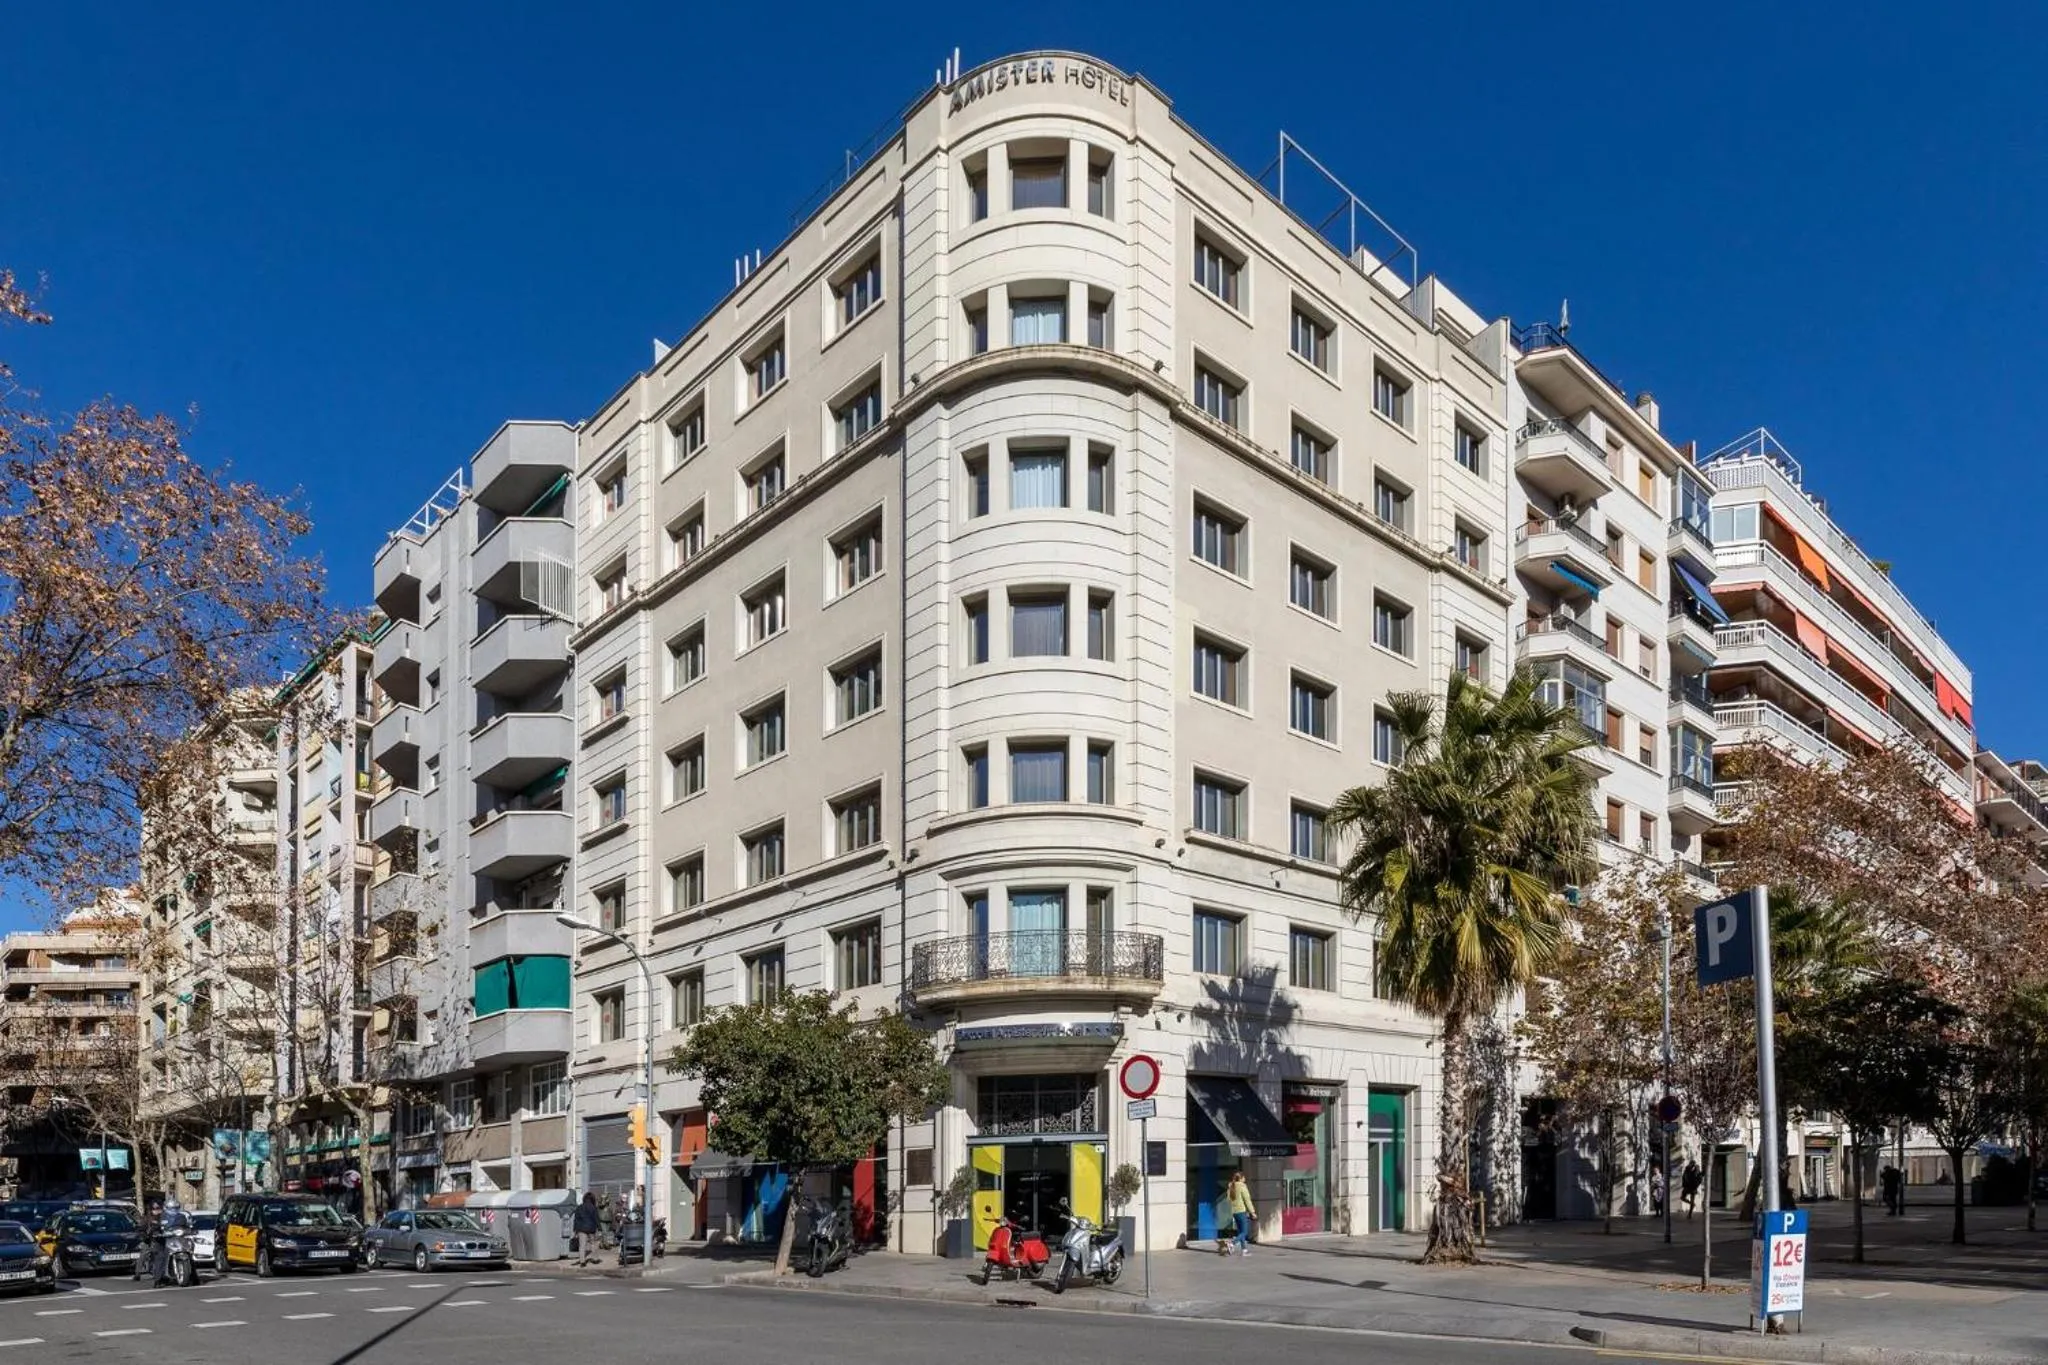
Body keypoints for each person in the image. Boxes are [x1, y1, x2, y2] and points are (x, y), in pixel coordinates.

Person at [1222, 1171, 1256, 1257]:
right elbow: (1247, 1200)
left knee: (1241, 1231)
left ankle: (1244, 1250)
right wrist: (1252, 1212)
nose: (1245, 1179)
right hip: (1241, 1211)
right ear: (1241, 1178)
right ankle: (1232, 1243)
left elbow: (1228, 1200)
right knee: (1245, 1232)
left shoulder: (1231, 1186)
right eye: (1244, 1177)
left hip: (1234, 1212)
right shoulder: (1242, 1186)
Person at [573, 1192, 601, 1266]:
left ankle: (582, 1261)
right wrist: (599, 1228)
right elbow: (596, 1219)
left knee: (582, 1245)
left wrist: (575, 1230)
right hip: (591, 1228)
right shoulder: (593, 1208)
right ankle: (595, 1259)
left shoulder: (579, 1207)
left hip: (581, 1229)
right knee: (593, 1244)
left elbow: (576, 1219)